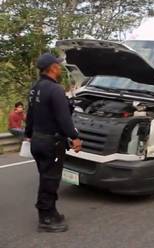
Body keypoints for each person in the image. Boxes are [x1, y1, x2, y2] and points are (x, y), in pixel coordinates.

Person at [25, 53, 82, 232]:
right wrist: (74, 137)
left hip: (37, 140)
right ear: (52, 68)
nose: (59, 67)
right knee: (50, 180)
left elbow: (30, 115)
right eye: (57, 65)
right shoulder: (55, 89)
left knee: (45, 177)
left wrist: (28, 134)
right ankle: (46, 218)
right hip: (51, 143)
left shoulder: (35, 87)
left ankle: (52, 211)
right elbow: (63, 118)